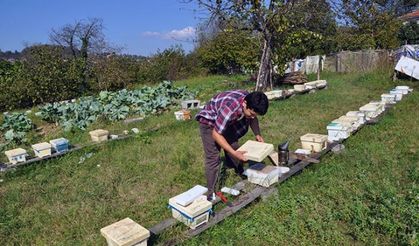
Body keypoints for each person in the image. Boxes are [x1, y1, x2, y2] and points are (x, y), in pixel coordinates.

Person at [195, 90, 269, 201]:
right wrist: (233, 153)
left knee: (234, 145)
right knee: (213, 158)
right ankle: (211, 194)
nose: (253, 117)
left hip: (224, 120)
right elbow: (216, 134)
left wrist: (257, 134)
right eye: (252, 114)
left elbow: (253, 119)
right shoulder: (229, 109)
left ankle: (237, 171)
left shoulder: (251, 101)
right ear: (244, 103)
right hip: (209, 122)